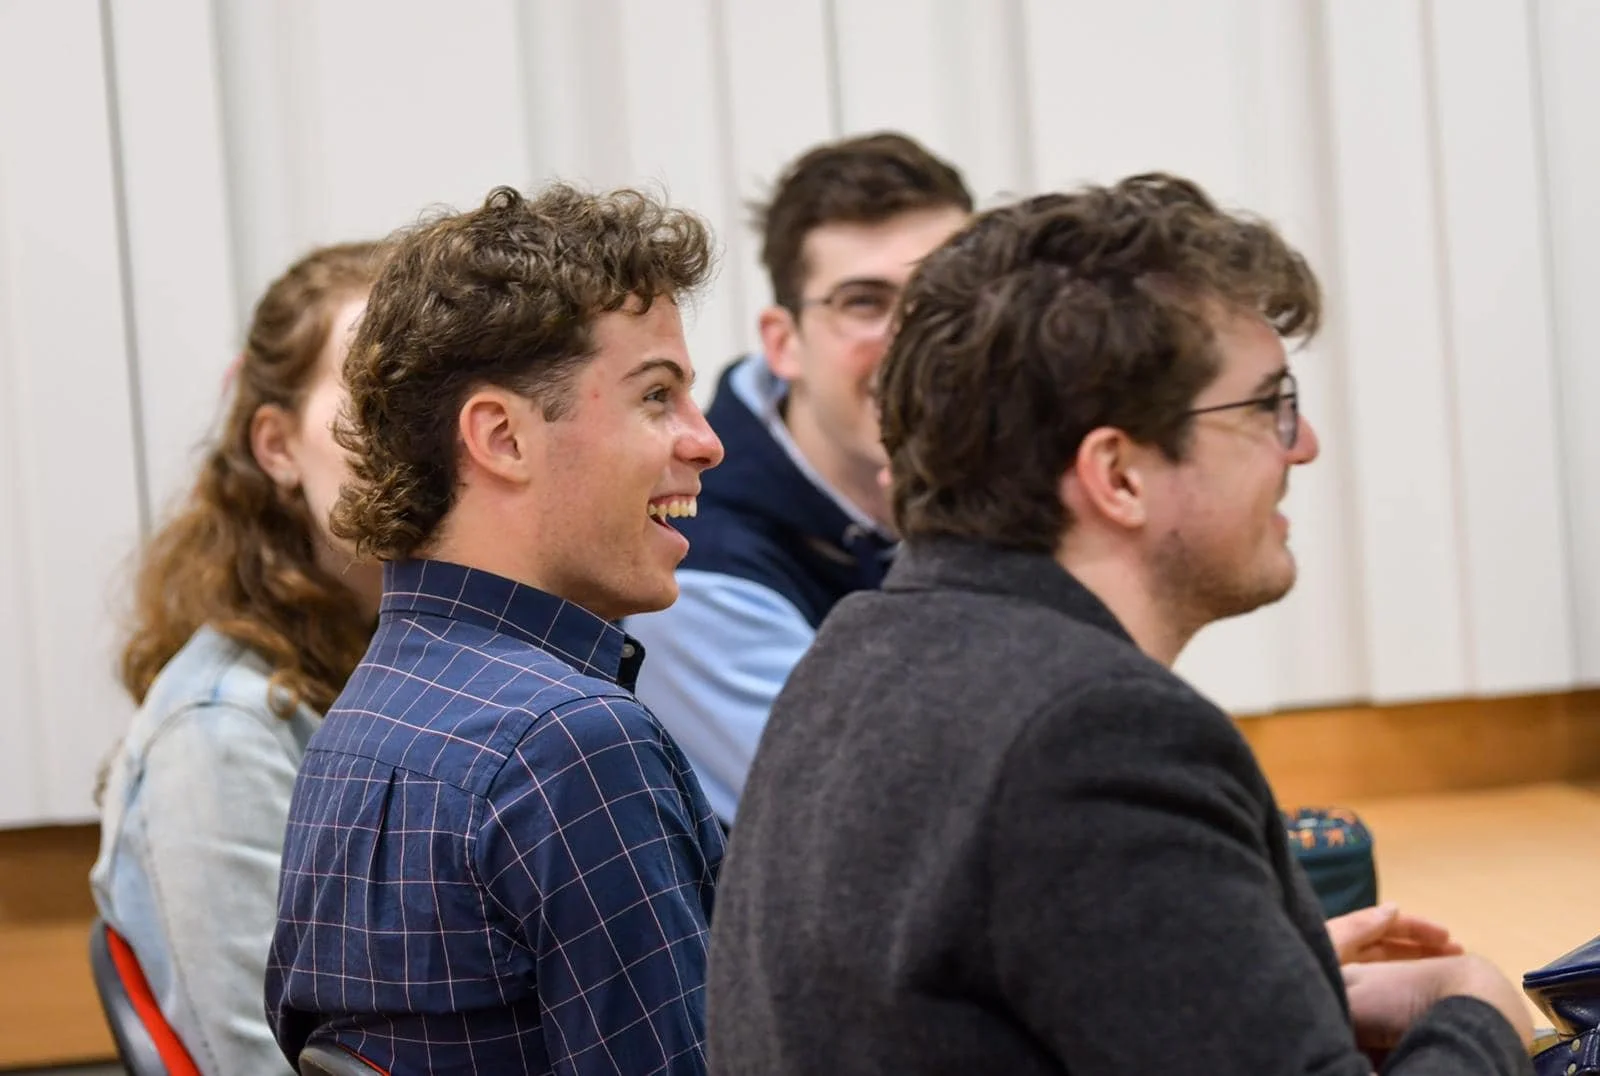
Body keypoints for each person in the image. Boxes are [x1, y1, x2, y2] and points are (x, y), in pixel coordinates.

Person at [706, 175, 1535, 1074]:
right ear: (1120, 474)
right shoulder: (1093, 736)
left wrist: (1271, 981)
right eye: (1268, 406)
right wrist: (1478, 1018)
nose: (1303, 445)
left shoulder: (859, 647)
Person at [266, 184, 727, 1075]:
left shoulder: (360, 722)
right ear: (502, 438)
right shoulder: (571, 747)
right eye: (657, 395)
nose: (704, 442)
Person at [91, 242, 384, 1076]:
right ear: (277, 446)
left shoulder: (409, 668)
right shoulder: (221, 734)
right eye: (378, 397)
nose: (420, 437)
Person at [625, 132, 973, 824]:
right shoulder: (699, 571)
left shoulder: (1003, 486)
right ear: (783, 342)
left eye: (947, 297)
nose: (916, 341)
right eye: (866, 303)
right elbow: (907, 825)